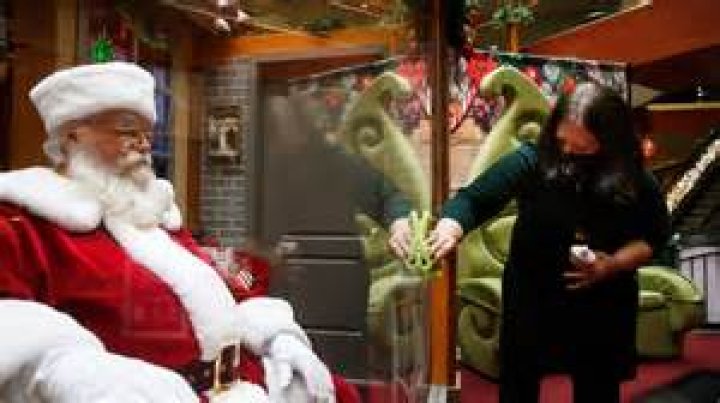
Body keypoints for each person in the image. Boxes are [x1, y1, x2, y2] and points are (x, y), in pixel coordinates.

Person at [0, 61, 360, 403]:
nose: (143, 144)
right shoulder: (24, 224)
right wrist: (75, 372)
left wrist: (278, 337)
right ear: (72, 135)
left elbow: (231, 286)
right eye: (127, 130)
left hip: (240, 385)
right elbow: (11, 323)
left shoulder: (153, 217)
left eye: (147, 133)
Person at [390, 81, 671, 403]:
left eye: (582, 148)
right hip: (532, 295)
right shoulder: (532, 158)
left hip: (603, 300)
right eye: (562, 141)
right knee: (519, 385)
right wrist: (449, 228)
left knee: (598, 388)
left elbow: (655, 236)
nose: (567, 153)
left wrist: (614, 264)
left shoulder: (633, 174)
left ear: (610, 141)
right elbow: (474, 200)